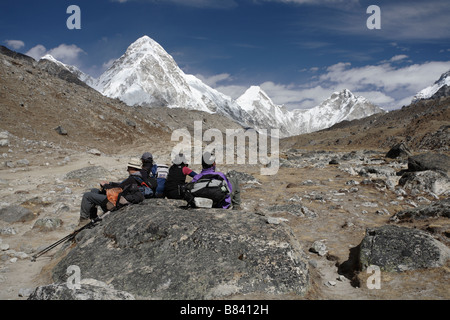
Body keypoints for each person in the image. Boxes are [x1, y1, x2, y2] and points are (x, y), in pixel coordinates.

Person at [79, 157, 145, 224]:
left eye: (128, 168)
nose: (127, 170)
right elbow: (122, 185)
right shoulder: (138, 178)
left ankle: (83, 221)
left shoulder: (132, 179)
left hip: (116, 202)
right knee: (94, 190)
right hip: (120, 198)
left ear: (132, 168)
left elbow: (117, 190)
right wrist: (110, 183)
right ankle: (92, 217)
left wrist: (105, 185)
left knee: (87, 196)